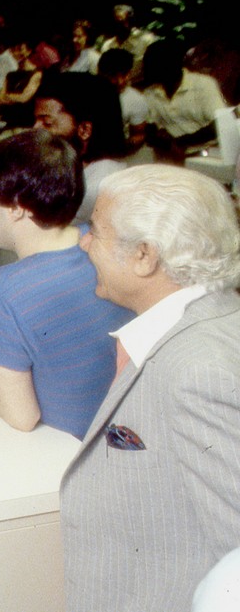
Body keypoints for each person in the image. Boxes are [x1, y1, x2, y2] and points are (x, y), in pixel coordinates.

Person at [62, 164, 240, 611]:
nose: (84, 242)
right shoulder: (214, 320)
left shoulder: (197, 372)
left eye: (96, 232)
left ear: (145, 255)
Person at [0, 130, 132, 437]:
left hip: (69, 455)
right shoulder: (101, 245)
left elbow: (20, 416)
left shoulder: (3, 288)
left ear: (16, 207)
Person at [32, 71, 127, 224]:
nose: (35, 129)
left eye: (47, 123)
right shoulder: (76, 170)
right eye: (36, 121)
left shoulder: (93, 189)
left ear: (84, 130)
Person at [139, 38, 227, 162]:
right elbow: (150, 128)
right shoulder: (150, 92)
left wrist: (180, 142)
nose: (145, 69)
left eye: (151, 64)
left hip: (206, 155)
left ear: (169, 65)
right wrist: (163, 140)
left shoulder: (202, 84)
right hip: (170, 156)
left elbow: (219, 124)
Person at [98, 48, 148, 154]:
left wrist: (128, 144)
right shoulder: (89, 94)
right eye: (113, 76)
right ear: (101, 73)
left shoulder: (136, 100)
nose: (119, 82)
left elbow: (138, 134)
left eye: (124, 75)